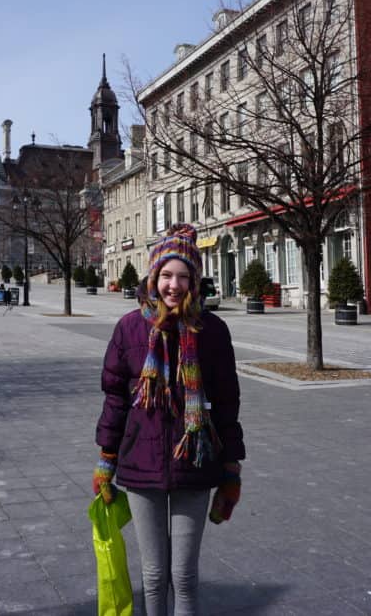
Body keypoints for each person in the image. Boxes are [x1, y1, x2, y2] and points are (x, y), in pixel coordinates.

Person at [94, 223, 245, 615]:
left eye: (182, 276)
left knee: (185, 576)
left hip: (194, 463)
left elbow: (226, 402)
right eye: (165, 275)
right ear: (153, 277)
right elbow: (115, 399)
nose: (173, 285)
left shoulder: (212, 331)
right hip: (140, 465)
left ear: (194, 281)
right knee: (154, 575)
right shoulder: (130, 327)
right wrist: (105, 459)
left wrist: (231, 469)